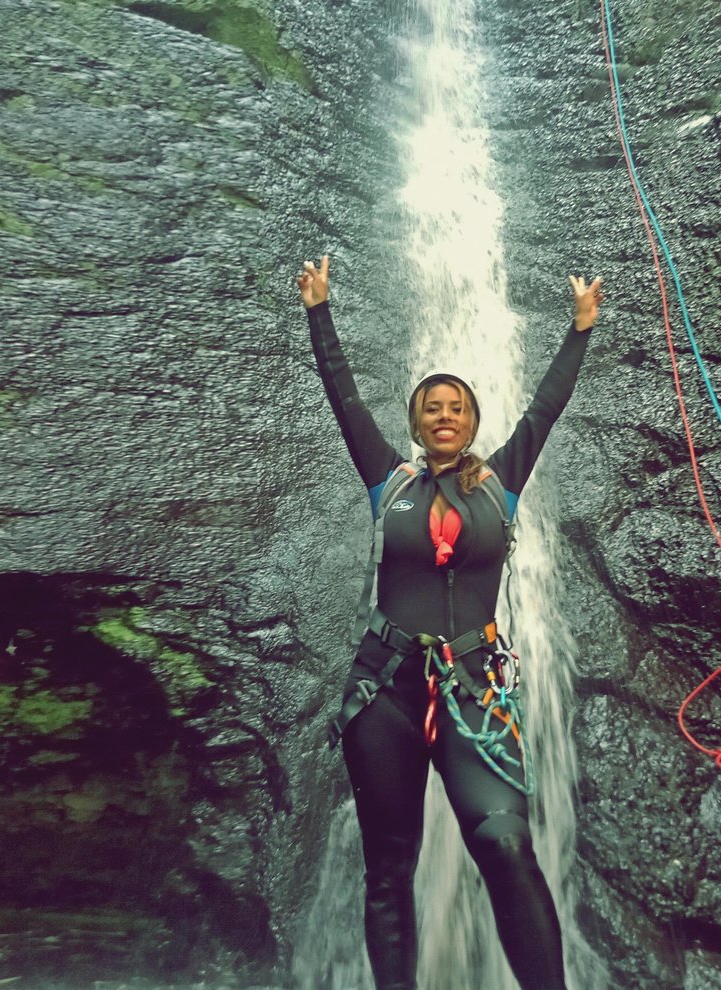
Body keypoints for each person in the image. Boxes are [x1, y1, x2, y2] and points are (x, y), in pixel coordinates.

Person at [296, 255, 602, 990]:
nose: (443, 414)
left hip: (475, 689)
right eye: (430, 406)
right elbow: (343, 399)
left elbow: (547, 407)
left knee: (504, 844)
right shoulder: (388, 482)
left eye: (456, 406)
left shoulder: (502, 482)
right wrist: (319, 312)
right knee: (388, 867)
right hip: (385, 690)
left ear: (471, 421)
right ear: (415, 421)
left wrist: (580, 329)